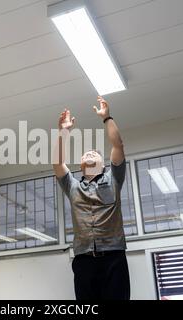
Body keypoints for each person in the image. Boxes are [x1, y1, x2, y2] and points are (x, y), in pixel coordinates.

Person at [53, 96, 130, 300]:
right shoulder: (72, 186)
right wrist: (63, 131)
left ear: (103, 165)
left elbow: (118, 145)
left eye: (94, 154)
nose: (89, 154)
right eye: (86, 154)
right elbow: (57, 161)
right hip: (83, 259)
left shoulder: (114, 179)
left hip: (114, 255)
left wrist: (107, 118)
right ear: (80, 165)